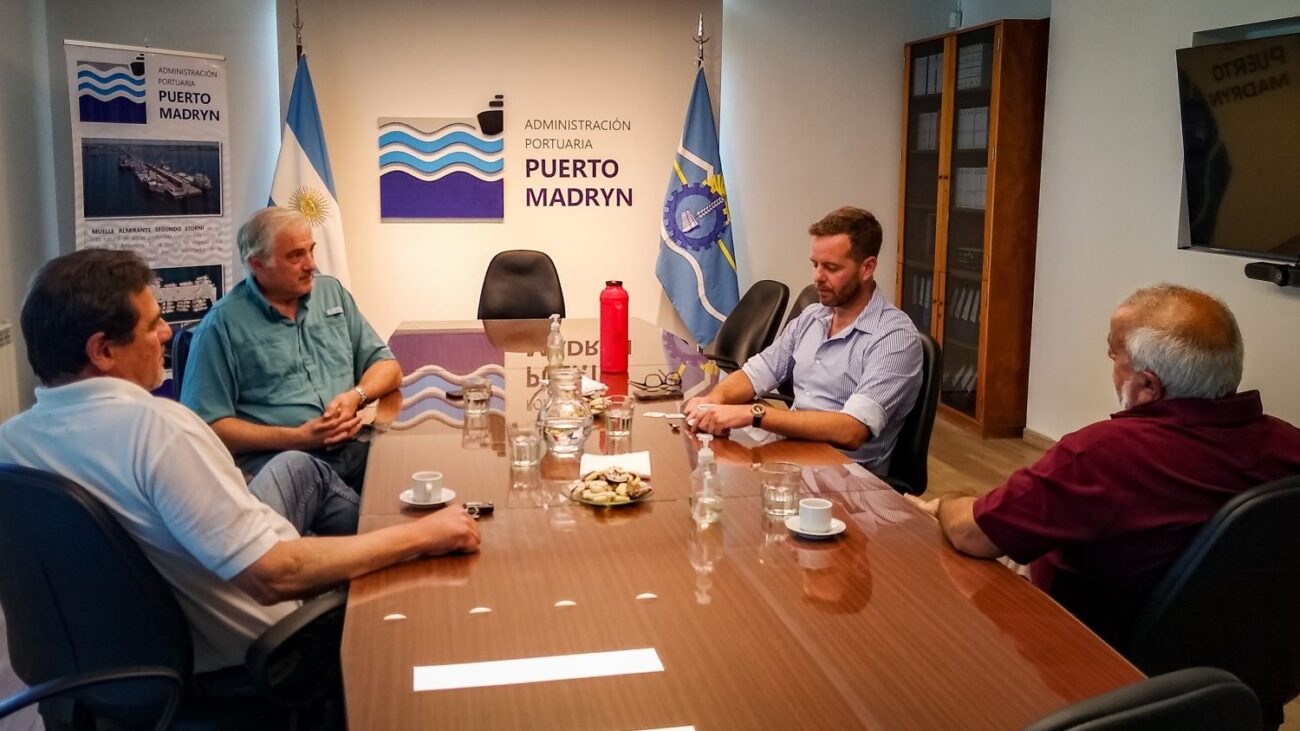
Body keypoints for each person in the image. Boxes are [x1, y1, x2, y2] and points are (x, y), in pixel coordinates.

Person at [0, 249, 480, 672]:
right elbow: (277, 575)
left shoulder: (11, 444)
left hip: (114, 664)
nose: (167, 333)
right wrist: (422, 535)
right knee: (424, 609)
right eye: (152, 324)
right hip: (260, 656)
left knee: (299, 468)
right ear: (103, 351)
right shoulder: (159, 430)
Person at [931, 284, 1300, 648]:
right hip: (1234, 651)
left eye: (1115, 357)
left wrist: (945, 503)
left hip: (1081, 646)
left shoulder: (1100, 455)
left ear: (1148, 386)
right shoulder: (1289, 446)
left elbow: (971, 534)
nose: (1112, 366)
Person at [685, 206, 923, 474]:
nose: (817, 277)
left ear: (867, 268)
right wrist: (714, 400)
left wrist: (755, 414)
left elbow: (852, 430)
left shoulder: (894, 337)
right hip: (794, 455)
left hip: (846, 478)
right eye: (815, 264)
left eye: (831, 267)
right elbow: (756, 372)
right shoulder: (812, 317)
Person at [181, 207, 401, 491]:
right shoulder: (221, 325)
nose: (311, 265)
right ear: (257, 263)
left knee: (415, 475)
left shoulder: (330, 293)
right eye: (296, 256)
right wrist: (299, 437)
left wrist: (355, 396)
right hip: (283, 461)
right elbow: (207, 427)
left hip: (351, 446)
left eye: (311, 250)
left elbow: (388, 368)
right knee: (366, 511)